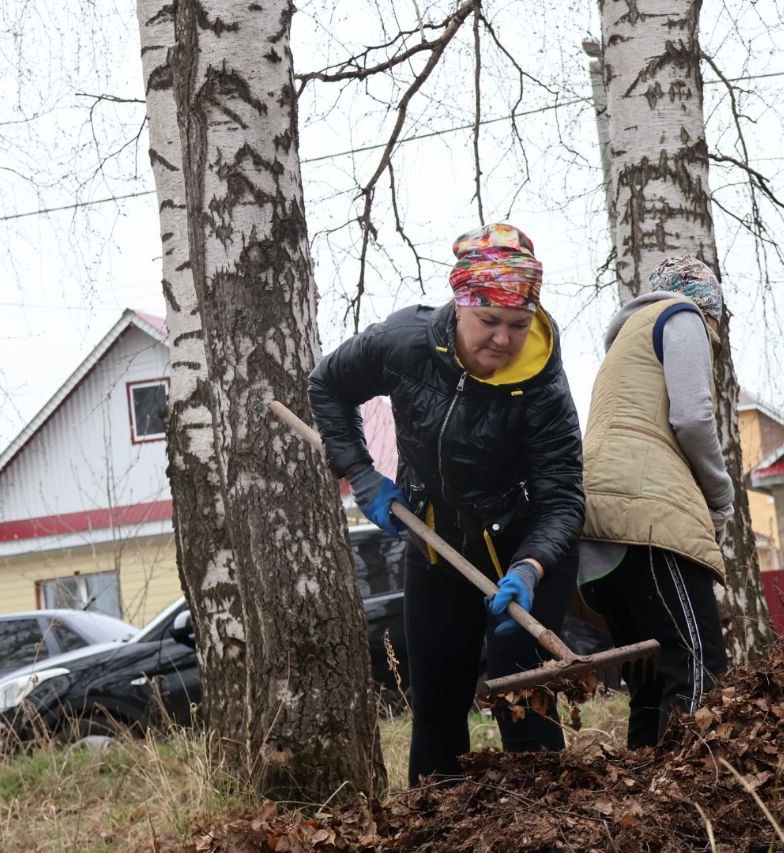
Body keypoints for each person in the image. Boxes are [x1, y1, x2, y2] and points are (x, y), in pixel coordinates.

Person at [308, 223, 583, 786]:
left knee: (521, 696)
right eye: (489, 322)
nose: (504, 341)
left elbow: (563, 499)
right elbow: (327, 384)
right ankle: (436, 827)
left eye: (517, 324)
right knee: (437, 700)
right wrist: (361, 473)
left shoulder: (543, 387)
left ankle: (551, 826)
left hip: (523, 552)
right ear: (460, 305)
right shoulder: (405, 344)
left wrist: (530, 568)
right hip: (436, 544)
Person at [578, 255, 732, 749]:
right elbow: (691, 417)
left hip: (599, 521)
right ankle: (686, 805)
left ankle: (641, 810)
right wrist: (720, 496)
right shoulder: (680, 315)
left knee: (650, 682)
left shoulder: (623, 343)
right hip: (646, 517)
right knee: (697, 667)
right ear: (711, 309)